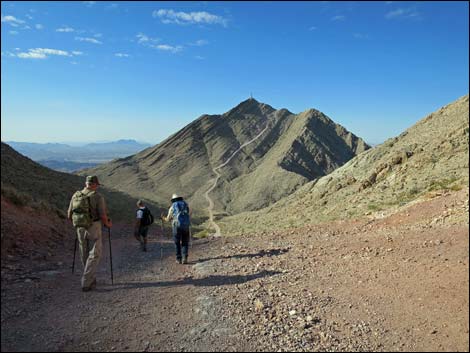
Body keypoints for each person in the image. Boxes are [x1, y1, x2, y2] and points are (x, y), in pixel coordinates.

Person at [68, 175, 112, 292]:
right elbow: (103, 215)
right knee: (95, 254)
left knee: (84, 253)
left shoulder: (76, 195)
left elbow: (69, 214)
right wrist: (107, 224)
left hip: (79, 228)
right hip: (93, 226)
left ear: (86, 183)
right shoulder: (97, 197)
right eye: (97, 184)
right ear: (94, 184)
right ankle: (86, 282)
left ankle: (90, 278)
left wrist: (79, 222)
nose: (97, 186)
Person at [161, 194, 191, 264]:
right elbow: (188, 214)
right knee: (185, 242)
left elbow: (168, 219)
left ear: (174, 200)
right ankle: (185, 258)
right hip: (186, 226)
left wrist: (163, 218)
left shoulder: (173, 206)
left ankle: (178, 259)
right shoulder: (185, 205)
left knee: (177, 242)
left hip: (176, 226)